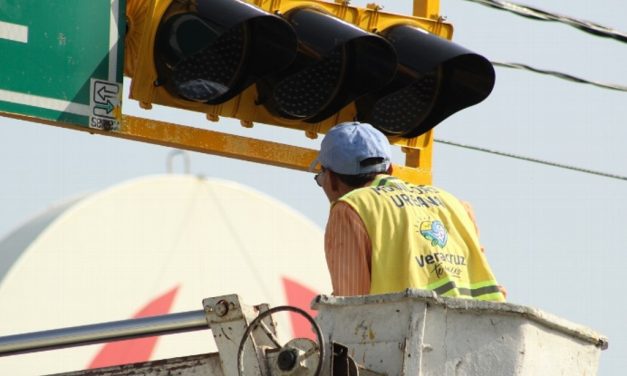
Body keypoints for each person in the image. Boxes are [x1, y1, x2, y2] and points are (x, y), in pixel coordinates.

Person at [311, 121, 505, 302]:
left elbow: (351, 305)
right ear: (390, 169)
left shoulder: (350, 209)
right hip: (488, 332)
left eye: (321, 178)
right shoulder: (455, 205)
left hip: (406, 334)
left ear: (333, 179)